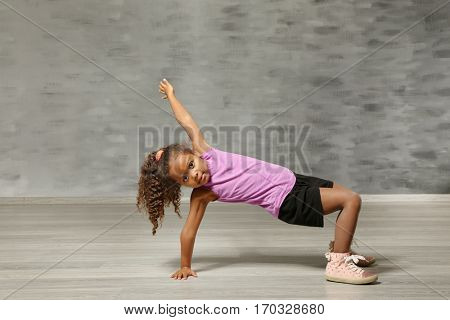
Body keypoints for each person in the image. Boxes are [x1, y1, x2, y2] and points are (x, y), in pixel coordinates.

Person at [136, 79, 378, 285]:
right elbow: (188, 232)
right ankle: (338, 264)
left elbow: (186, 121)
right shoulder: (203, 194)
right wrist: (185, 265)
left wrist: (171, 95)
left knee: (344, 193)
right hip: (286, 200)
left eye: (190, 165)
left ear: (194, 153)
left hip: (294, 180)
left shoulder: (205, 151)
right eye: (185, 178)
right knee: (351, 201)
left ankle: (340, 249)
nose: (194, 175)